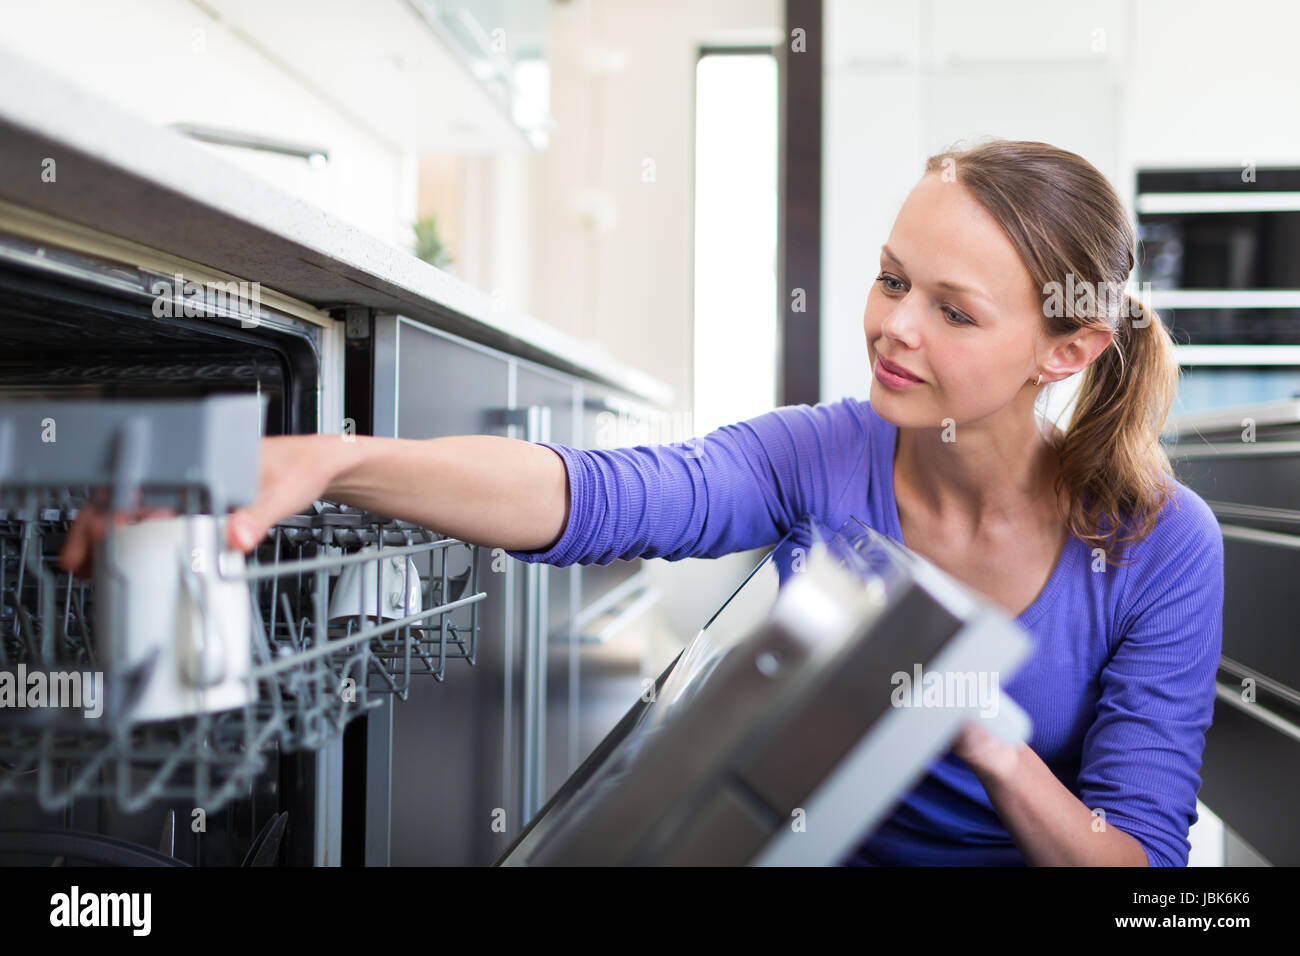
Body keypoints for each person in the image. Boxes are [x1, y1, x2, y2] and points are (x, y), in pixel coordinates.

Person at [60, 138, 1224, 867]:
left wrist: (972, 721)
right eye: (888, 277)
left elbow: (1133, 866)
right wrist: (327, 460)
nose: (891, 326)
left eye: (953, 311)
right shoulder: (818, 453)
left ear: (1062, 350)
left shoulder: (1161, 543)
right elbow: (599, 494)